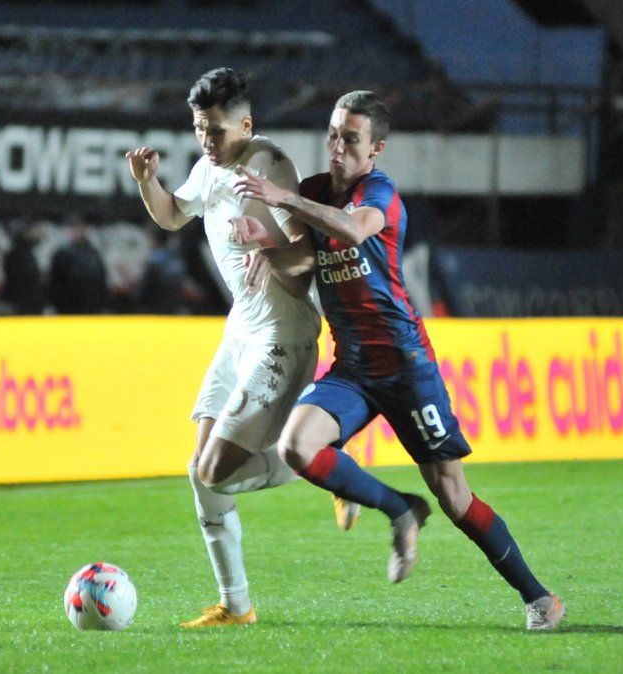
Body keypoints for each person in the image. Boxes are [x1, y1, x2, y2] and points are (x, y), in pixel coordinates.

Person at [232, 90, 566, 631]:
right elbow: (306, 258)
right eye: (334, 134)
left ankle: (540, 598)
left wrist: (284, 201)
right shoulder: (315, 191)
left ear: (376, 149)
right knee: (297, 445)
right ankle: (398, 509)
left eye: (351, 139)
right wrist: (263, 246)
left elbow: (354, 228)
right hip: (354, 366)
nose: (337, 147)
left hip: (405, 364)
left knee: (454, 496)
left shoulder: (380, 194)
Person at [125, 68, 360, 628]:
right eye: (199, 128)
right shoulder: (209, 168)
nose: (206, 139)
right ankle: (237, 604)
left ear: (246, 124)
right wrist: (146, 180)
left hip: (283, 335)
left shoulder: (269, 168)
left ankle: (325, 459)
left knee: (215, 471)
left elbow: (307, 262)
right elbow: (172, 215)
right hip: (241, 333)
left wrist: (269, 243)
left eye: (216, 129)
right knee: (200, 471)